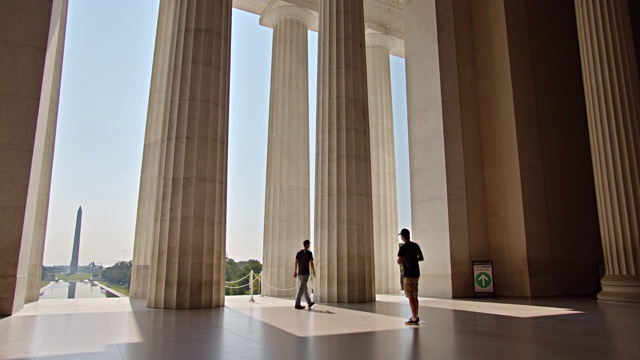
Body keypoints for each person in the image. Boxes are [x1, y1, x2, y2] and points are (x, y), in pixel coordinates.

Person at [397, 228, 423, 325]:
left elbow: (399, 261)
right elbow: (421, 257)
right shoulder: (415, 246)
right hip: (416, 273)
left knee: (410, 297)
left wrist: (405, 260)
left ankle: (414, 317)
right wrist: (413, 259)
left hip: (408, 274)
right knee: (415, 295)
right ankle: (415, 316)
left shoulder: (403, 248)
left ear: (403, 237)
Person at [294, 239, 316, 310]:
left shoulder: (298, 252)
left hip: (300, 273)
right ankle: (297, 304)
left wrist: (295, 271)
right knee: (301, 289)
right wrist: (314, 271)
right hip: (305, 273)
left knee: (304, 289)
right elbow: (311, 263)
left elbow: (296, 262)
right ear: (308, 245)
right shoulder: (309, 253)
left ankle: (309, 303)